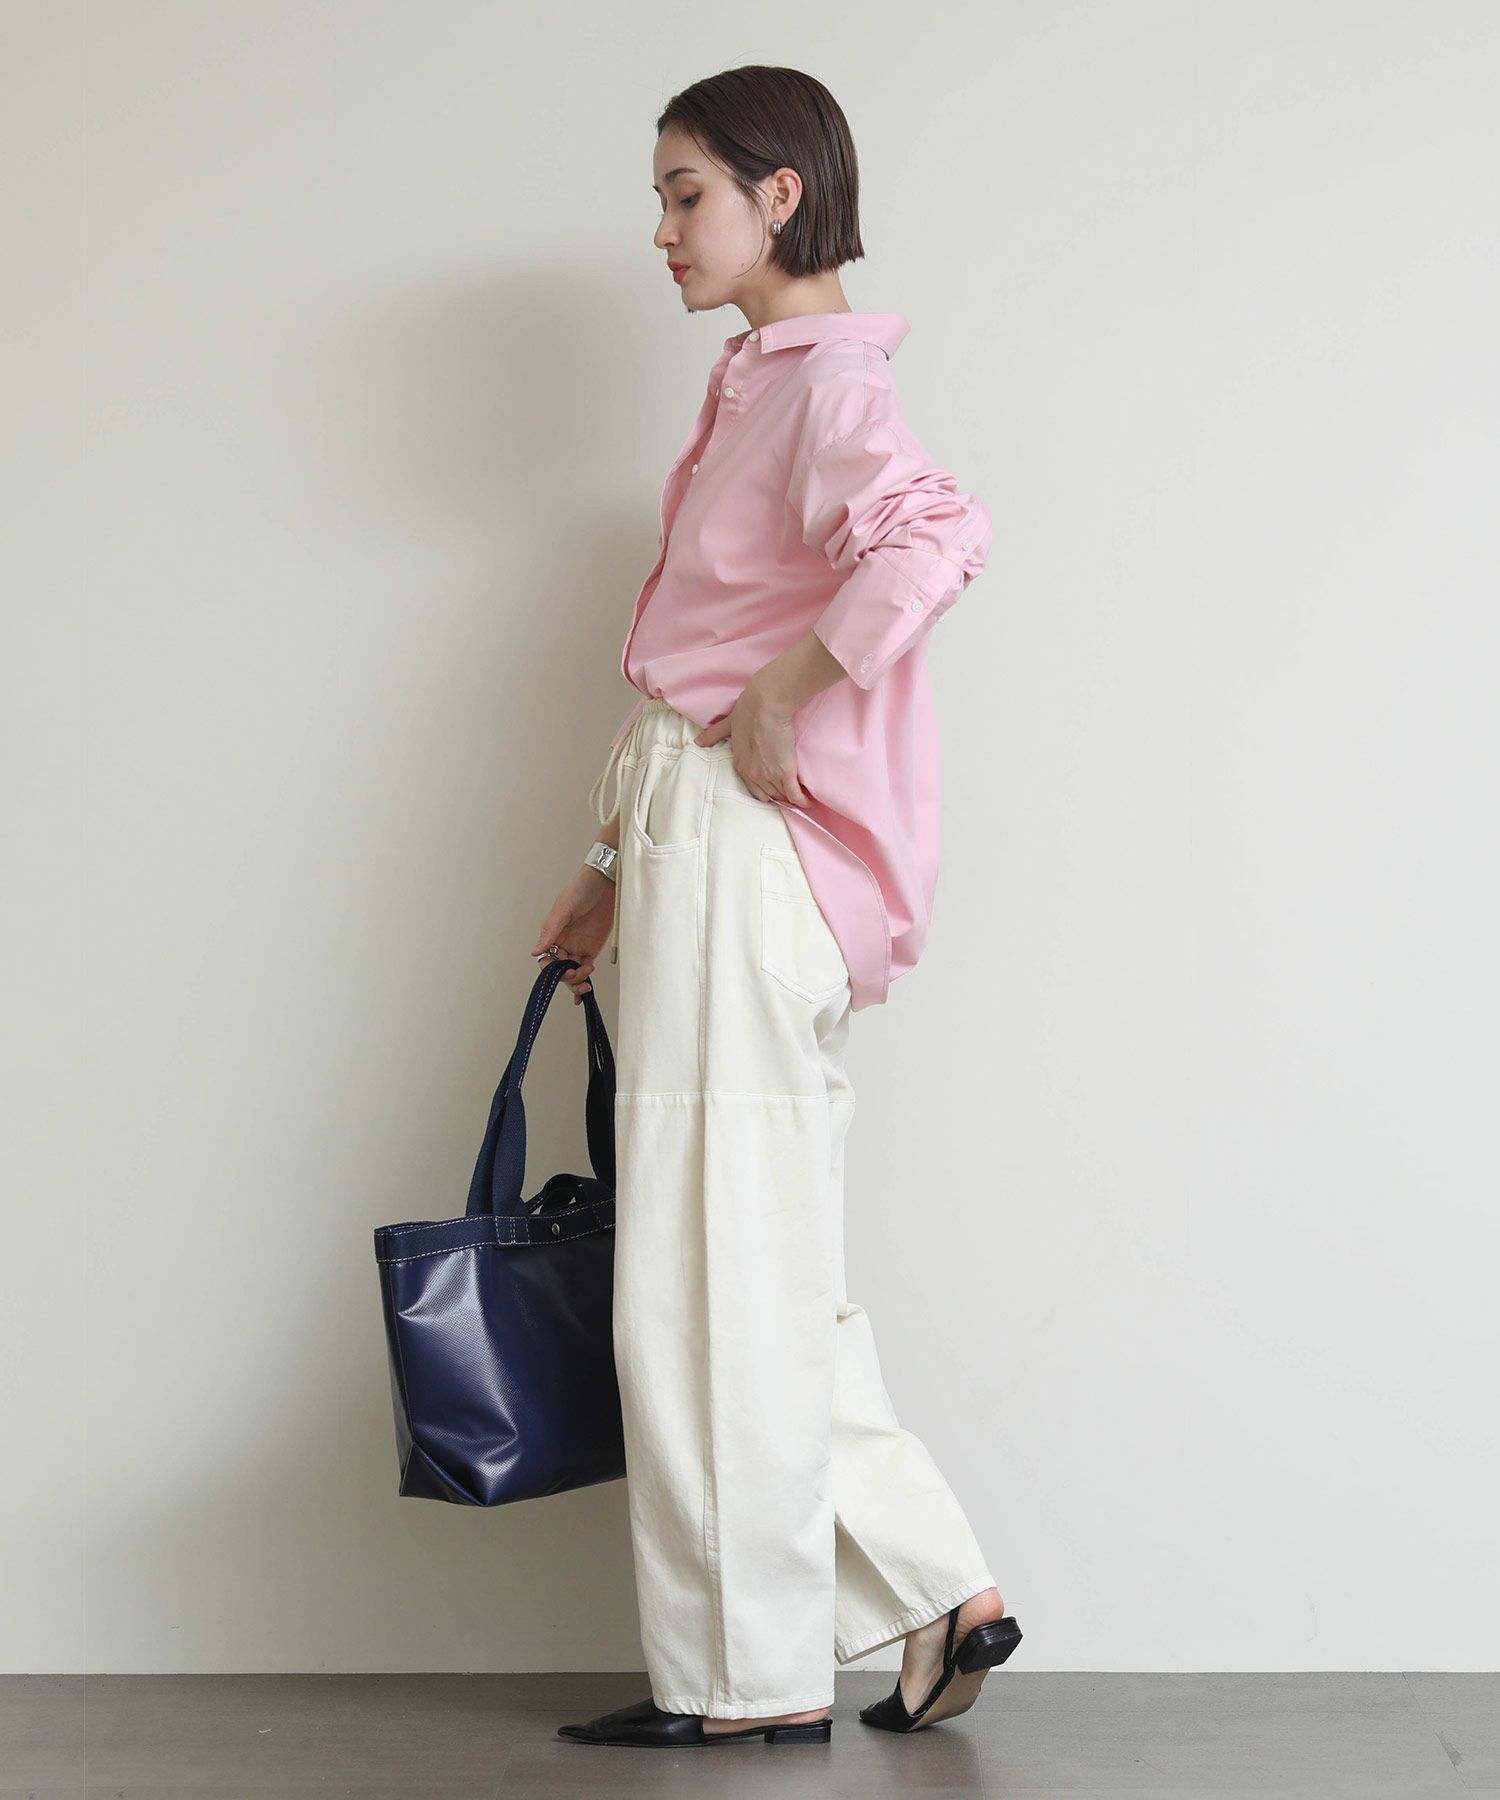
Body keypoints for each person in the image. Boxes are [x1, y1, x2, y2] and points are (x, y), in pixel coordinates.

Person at [530, 65, 1022, 1750]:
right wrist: (608, 868)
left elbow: (933, 537)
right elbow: (692, 665)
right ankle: (940, 1589)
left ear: (779, 195)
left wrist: (786, 689)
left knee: (704, 1272)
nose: (664, 230)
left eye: (688, 194)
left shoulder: (826, 383)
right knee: (758, 1257)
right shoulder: (763, 382)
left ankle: (745, 1681)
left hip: (745, 862)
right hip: (701, 852)